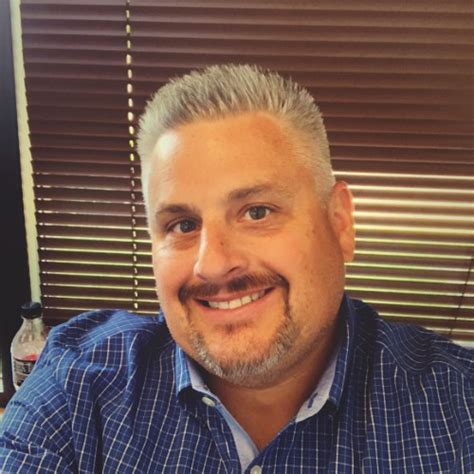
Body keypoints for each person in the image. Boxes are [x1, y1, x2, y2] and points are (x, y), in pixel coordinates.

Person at [0, 64, 472, 473]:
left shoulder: (460, 412)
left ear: (339, 222)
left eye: (257, 212)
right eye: (183, 224)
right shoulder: (78, 386)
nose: (213, 263)